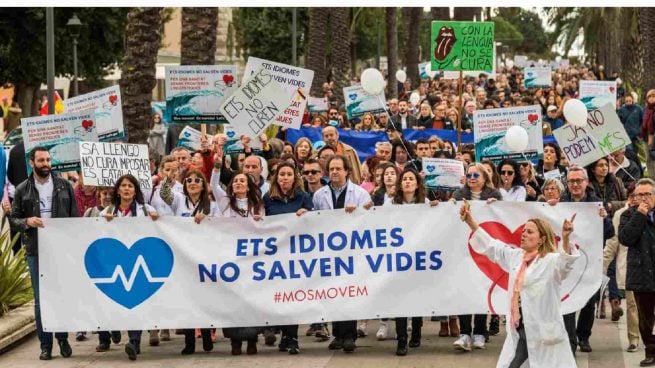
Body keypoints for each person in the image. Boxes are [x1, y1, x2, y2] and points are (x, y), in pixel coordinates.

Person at [459, 201, 578, 368]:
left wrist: (565, 238)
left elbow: (566, 263)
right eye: (523, 231)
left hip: (543, 329)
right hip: (520, 324)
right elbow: (492, 246)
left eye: (530, 232)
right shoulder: (516, 257)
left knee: (520, 362)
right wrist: (470, 221)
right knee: (516, 360)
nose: (523, 234)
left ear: (541, 239)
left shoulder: (551, 261)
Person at [9, 147, 78, 360]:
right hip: (36, 250)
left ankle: (63, 338)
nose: (46, 163)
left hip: (60, 249)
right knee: (40, 299)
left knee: (61, 294)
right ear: (32, 163)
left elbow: (74, 218)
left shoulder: (65, 186)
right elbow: (14, 219)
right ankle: (45, 345)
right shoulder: (22, 189)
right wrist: (27, 221)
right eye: (41, 160)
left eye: (48, 159)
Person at [313, 155, 372, 353]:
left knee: (349, 292)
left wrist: (359, 211)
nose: (335, 172)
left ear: (347, 171)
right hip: (329, 251)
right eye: (331, 169)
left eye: (338, 168)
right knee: (333, 292)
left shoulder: (360, 194)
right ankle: (338, 334)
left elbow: (370, 215)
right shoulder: (320, 195)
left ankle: (350, 336)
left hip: (352, 250)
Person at [100, 174, 159, 361]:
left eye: (130, 186)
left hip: (138, 263)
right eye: (123, 186)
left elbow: (159, 230)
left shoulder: (146, 210)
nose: (126, 189)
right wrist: (104, 224)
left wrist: (157, 219)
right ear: (117, 190)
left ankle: (134, 341)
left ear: (135, 191)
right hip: (115, 264)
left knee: (135, 302)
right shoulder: (106, 212)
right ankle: (115, 329)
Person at [384, 168, 437, 356]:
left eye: (411, 179)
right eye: (404, 179)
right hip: (399, 258)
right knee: (400, 298)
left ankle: (416, 331)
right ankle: (401, 339)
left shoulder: (426, 203)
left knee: (416, 296)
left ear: (417, 184)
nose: (407, 182)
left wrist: (438, 209)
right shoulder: (391, 204)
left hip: (419, 258)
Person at [560, 166, 612, 354]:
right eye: (571, 181)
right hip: (567, 260)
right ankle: (570, 340)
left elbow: (609, 233)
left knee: (589, 301)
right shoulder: (560, 202)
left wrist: (605, 219)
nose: (575, 184)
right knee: (566, 300)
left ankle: (584, 336)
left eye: (578, 181)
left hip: (589, 262)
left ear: (586, 182)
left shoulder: (596, 203)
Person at [263, 162, 313, 354]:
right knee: (281, 297)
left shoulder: (303, 197)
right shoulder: (268, 198)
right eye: (281, 174)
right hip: (276, 256)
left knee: (293, 297)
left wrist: (307, 214)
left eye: (288, 174)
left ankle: (292, 338)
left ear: (295, 177)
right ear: (276, 178)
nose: (285, 177)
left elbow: (316, 221)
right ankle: (285, 335)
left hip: (297, 255)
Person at [452, 163, 501, 351]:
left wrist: (496, 207)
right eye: (469, 175)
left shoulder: (494, 195)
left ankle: (480, 332)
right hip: (463, 249)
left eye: (475, 175)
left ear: (484, 178)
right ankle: (465, 333)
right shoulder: (458, 195)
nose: (472, 178)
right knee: (466, 289)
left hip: (484, 250)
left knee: (481, 289)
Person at [619, 178, 655, 366]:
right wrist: (640, 215)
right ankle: (650, 350)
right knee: (645, 317)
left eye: (648, 194)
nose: (644, 198)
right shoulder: (628, 215)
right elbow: (625, 238)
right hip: (641, 273)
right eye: (640, 194)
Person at [604, 184, 639, 352]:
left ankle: (647, 334)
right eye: (631, 196)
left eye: (638, 195)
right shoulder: (620, 215)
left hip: (650, 265)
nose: (635, 199)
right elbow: (613, 243)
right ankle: (634, 339)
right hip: (629, 266)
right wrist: (602, 266)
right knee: (632, 304)